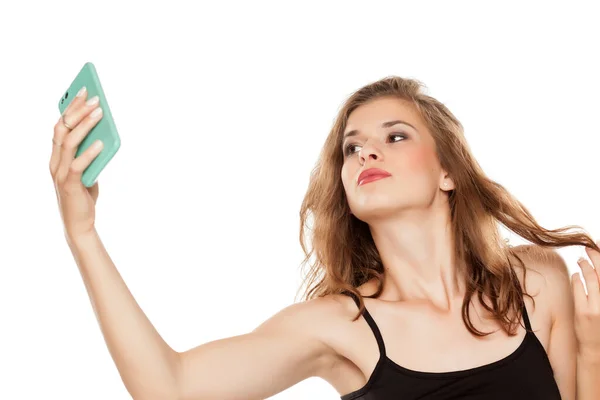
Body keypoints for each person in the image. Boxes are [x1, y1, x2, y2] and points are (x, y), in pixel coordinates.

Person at [49, 77, 600, 400]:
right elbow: (168, 388)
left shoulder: (537, 282)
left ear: (448, 172)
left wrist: (594, 349)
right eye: (352, 148)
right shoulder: (340, 326)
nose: (366, 153)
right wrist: (83, 235)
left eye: (396, 135)